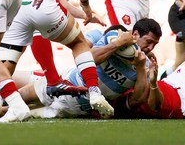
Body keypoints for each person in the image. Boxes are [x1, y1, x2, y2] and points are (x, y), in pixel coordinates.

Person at [20, 18, 162, 118]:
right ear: (135, 34)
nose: (150, 48)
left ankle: (2, 105)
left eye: (154, 44)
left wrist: (141, 67)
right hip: (66, 81)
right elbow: (87, 58)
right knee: (18, 97)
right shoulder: (112, 37)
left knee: (20, 113)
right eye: (149, 42)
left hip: (76, 107)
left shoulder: (146, 65)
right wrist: (117, 44)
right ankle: (1, 95)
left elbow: (138, 99)